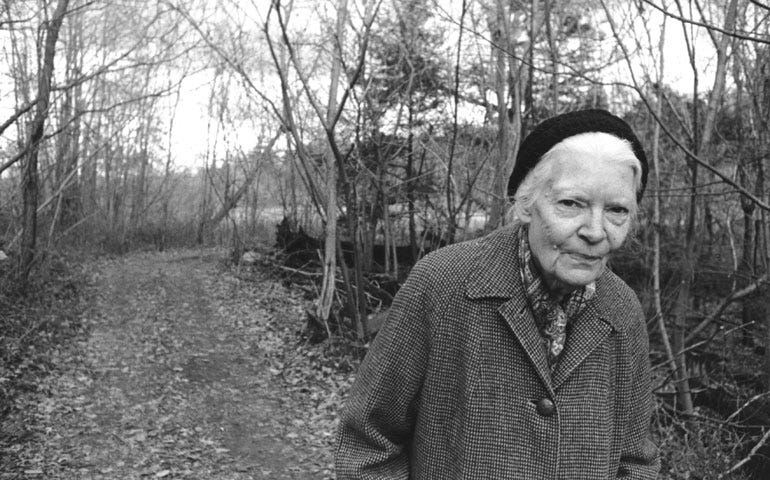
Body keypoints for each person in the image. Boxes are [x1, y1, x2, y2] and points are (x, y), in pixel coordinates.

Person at [335, 109, 660, 479]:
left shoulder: (623, 311)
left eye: (617, 210)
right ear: (525, 203)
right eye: (571, 203)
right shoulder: (442, 283)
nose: (595, 231)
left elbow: (636, 461)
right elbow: (368, 442)